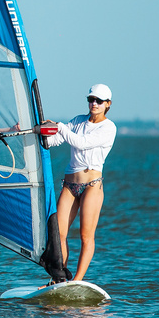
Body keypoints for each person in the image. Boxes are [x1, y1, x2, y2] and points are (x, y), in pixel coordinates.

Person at [39, 83, 117, 283]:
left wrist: (60, 126)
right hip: (70, 185)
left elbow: (81, 143)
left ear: (108, 104)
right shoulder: (78, 121)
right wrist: (39, 131)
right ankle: (60, 278)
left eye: (99, 101)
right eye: (91, 99)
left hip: (92, 186)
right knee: (57, 234)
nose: (94, 104)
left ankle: (77, 280)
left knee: (85, 236)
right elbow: (54, 141)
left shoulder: (108, 128)